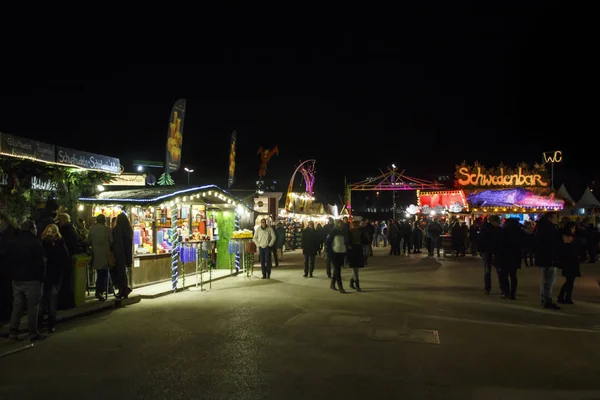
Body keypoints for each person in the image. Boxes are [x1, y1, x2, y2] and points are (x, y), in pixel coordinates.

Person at [7, 220, 46, 341]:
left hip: (17, 279)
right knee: (32, 307)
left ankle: (13, 331)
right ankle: (32, 332)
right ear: (31, 228)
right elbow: (40, 262)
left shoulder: (14, 241)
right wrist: (42, 277)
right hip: (32, 278)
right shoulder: (35, 242)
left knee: (17, 305)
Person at [39, 224, 70, 332]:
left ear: (56, 233)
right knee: (42, 302)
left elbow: (65, 258)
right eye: (48, 232)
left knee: (52, 300)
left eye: (52, 232)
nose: (50, 234)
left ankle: (51, 325)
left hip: (55, 275)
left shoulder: (60, 244)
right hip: (45, 276)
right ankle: (39, 324)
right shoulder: (42, 243)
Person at [534, 212, 561, 309]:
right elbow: (553, 243)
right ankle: (547, 300)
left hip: (543, 257)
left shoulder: (540, 227)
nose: (557, 219)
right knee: (549, 280)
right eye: (555, 217)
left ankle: (545, 299)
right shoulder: (550, 228)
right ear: (551, 218)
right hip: (549, 257)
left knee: (546, 280)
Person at [87, 214, 114, 301]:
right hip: (105, 254)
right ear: (104, 221)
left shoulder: (91, 229)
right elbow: (111, 241)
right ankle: (100, 291)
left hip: (95, 254)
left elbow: (88, 241)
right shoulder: (107, 229)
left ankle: (101, 291)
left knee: (99, 273)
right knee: (104, 274)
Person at [556, 222, 581, 305]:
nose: (574, 229)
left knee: (570, 280)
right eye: (573, 228)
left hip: (571, 261)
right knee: (569, 280)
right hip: (569, 261)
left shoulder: (569, 238)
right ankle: (563, 297)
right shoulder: (567, 238)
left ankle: (566, 297)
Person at [112, 213, 133, 299]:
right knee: (123, 272)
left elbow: (116, 242)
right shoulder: (128, 229)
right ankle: (125, 290)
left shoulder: (117, 229)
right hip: (126, 253)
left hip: (119, 253)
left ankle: (122, 290)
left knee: (118, 272)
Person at [326, 219, 349, 293]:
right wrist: (330, 252)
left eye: (341, 223)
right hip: (334, 253)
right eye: (340, 223)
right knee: (338, 270)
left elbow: (346, 242)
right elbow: (328, 243)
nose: (341, 224)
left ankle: (332, 284)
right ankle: (340, 287)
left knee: (337, 269)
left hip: (341, 252)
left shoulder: (344, 231)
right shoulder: (333, 231)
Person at [348, 221, 366, 291]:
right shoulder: (350, 232)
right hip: (353, 250)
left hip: (357, 249)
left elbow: (364, 239)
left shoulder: (359, 231)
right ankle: (357, 285)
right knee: (355, 269)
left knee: (356, 269)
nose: (355, 227)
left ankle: (352, 282)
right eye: (354, 225)